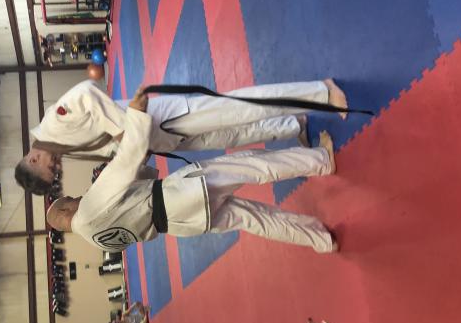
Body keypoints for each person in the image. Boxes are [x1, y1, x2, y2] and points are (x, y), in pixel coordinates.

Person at [45, 87, 339, 253]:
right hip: (180, 194)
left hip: (181, 223)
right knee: (252, 166)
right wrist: (135, 117)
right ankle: (321, 160)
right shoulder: (88, 209)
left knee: (256, 219)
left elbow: (132, 199)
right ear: (65, 210)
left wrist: (140, 165)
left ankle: (322, 240)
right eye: (71, 199)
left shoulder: (99, 242)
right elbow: (125, 161)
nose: (78, 197)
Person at [15, 78, 347, 194]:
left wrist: (123, 131)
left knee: (241, 108)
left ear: (33, 158)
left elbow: (87, 91)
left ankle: (321, 92)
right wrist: (129, 155)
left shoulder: (53, 123)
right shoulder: (60, 145)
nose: (57, 167)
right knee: (235, 135)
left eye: (50, 168)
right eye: (56, 172)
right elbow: (111, 144)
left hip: (164, 117)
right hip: (160, 139)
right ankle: (294, 125)